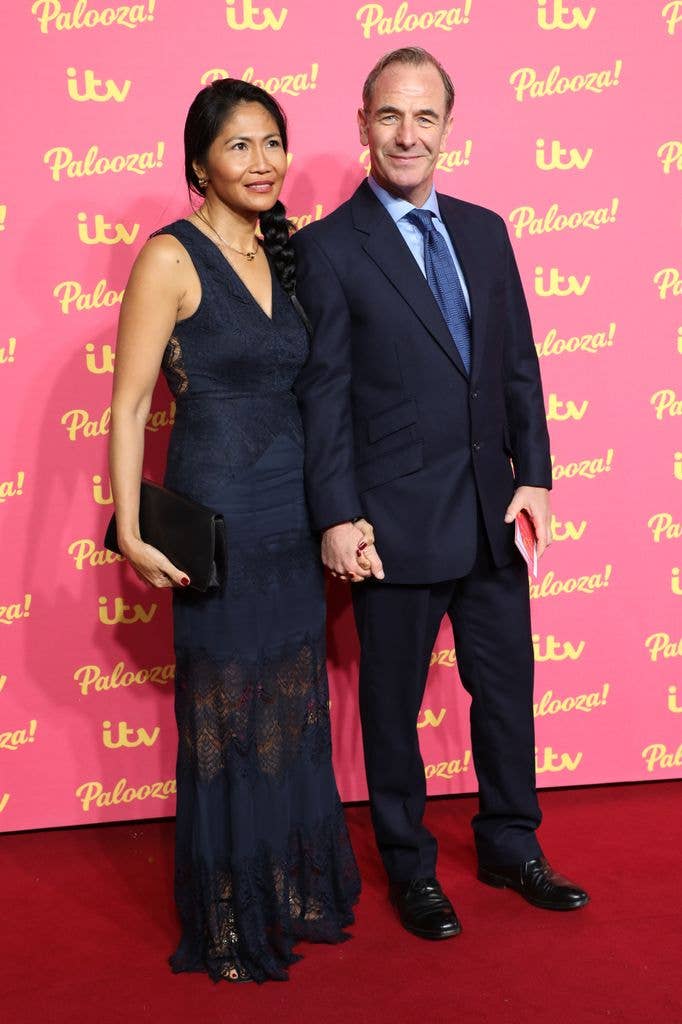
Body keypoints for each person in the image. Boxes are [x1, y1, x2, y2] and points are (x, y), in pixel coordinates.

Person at [293, 47, 588, 941]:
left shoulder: (486, 228)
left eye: (425, 117)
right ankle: (411, 866)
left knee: (506, 691)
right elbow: (324, 396)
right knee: (392, 706)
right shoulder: (327, 249)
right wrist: (340, 515)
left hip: (495, 513)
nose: (407, 134)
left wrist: (533, 472)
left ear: (448, 128)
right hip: (391, 520)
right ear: (362, 125)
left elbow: (517, 367)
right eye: (390, 116)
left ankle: (510, 843)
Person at [108, 79, 362, 983]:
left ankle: (292, 890)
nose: (263, 163)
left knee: (292, 708)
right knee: (222, 716)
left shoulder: (284, 252)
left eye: (272, 143)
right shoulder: (170, 259)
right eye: (240, 147)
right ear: (198, 167)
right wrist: (133, 532)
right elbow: (131, 403)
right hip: (215, 520)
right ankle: (228, 916)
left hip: (292, 521)